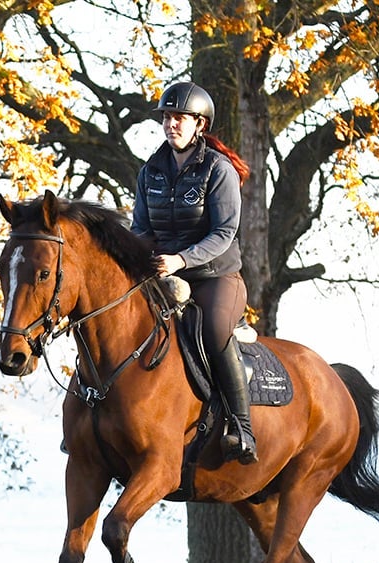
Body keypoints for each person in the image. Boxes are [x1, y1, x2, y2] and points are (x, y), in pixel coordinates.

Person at [131, 81, 257, 465]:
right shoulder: (150, 171)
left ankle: (242, 427)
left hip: (217, 277)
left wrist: (181, 260)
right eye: (167, 118)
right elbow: (140, 228)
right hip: (163, 273)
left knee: (214, 331)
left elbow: (224, 232)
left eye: (179, 118)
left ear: (200, 124)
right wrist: (139, 257)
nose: (171, 124)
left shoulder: (218, 170)